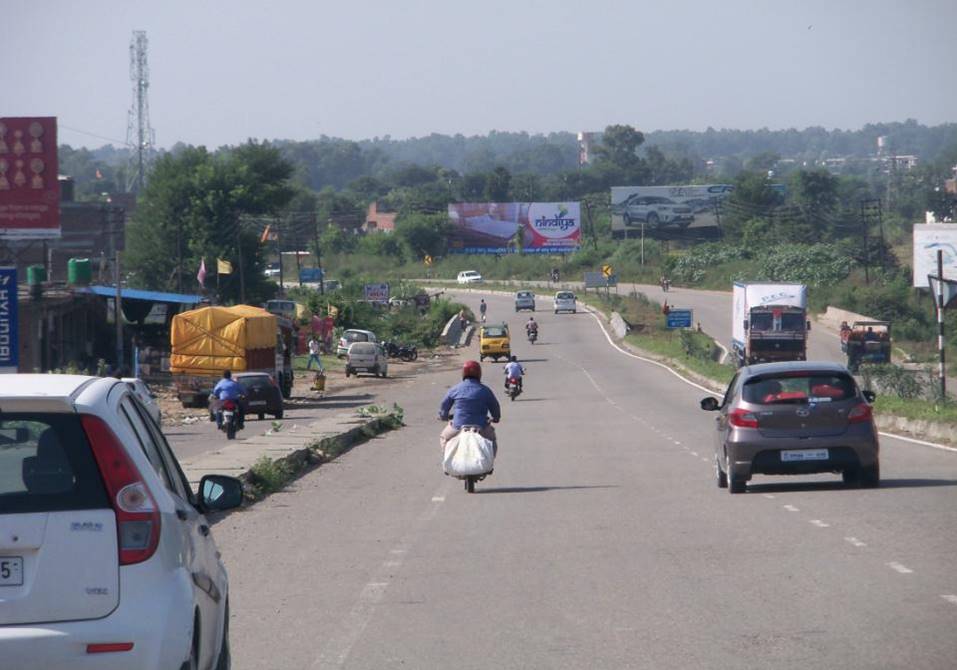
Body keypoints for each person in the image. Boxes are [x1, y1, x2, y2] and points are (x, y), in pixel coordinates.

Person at [438, 360, 501, 455]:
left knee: (444, 438)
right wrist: (496, 418)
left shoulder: (455, 389)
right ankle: (490, 461)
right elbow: (495, 407)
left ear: (463, 373)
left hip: (458, 426)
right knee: (492, 441)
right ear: (479, 373)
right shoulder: (485, 390)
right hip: (481, 428)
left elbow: (444, 406)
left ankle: (446, 460)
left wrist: (443, 416)